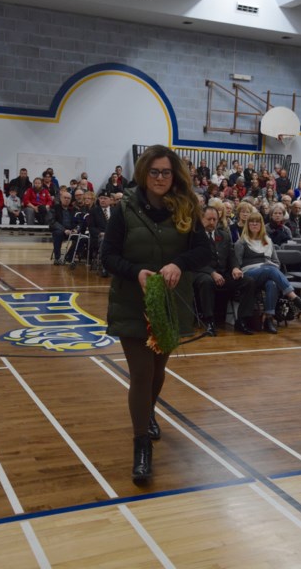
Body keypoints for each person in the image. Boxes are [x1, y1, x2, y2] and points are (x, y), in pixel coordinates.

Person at [101, 145, 211, 485]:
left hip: (170, 305)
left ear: (174, 174)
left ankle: (147, 413)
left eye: (166, 172)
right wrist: (136, 272)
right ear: (143, 174)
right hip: (132, 303)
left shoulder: (188, 207)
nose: (160, 178)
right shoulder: (124, 209)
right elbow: (107, 257)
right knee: (142, 373)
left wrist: (179, 263)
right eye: (154, 172)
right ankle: (141, 446)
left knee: (159, 370)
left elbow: (204, 251)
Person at [233, 212, 301, 334]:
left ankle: (268, 319)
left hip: (268, 271)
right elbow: (236, 263)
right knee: (269, 269)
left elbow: (276, 262)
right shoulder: (241, 242)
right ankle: (294, 297)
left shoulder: (268, 242)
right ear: (247, 224)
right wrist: (266, 267)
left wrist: (269, 266)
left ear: (261, 224)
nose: (254, 224)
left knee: (272, 283)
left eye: (257, 222)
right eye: (251, 221)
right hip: (249, 273)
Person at [193, 205, 256, 337]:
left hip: (223, 273)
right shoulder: (194, 235)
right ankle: (209, 321)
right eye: (209, 219)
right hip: (202, 272)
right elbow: (194, 260)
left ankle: (242, 320)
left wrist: (235, 268)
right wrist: (212, 272)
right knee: (207, 281)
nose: (212, 222)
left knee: (248, 281)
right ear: (201, 218)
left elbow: (231, 255)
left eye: (214, 219)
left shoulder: (224, 235)